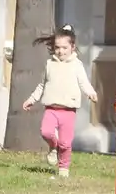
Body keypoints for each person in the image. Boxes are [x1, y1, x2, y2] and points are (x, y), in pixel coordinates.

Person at [21, 25, 98, 178]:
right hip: (51, 108)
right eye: (57, 47)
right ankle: (53, 147)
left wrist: (91, 93)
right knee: (46, 132)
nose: (60, 51)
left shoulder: (77, 65)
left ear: (72, 47)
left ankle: (63, 168)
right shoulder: (50, 64)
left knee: (66, 143)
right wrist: (31, 99)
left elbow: (84, 82)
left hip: (68, 111)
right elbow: (42, 85)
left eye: (64, 47)